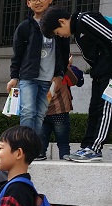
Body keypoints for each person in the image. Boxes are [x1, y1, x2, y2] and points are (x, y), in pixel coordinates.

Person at [40, 7, 112, 162]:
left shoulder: (84, 19)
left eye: (57, 32)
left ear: (61, 21)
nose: (60, 36)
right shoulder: (79, 32)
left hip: (110, 72)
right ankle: (87, 147)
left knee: (106, 108)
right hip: (100, 73)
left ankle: (94, 148)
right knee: (94, 109)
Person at [6, 0, 70, 135]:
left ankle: (34, 147)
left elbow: (64, 55)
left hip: (48, 81)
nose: (38, 2)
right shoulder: (24, 27)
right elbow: (17, 55)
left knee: (40, 114)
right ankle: (26, 145)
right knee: (28, 112)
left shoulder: (60, 26)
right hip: (28, 78)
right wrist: (14, 77)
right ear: (28, 3)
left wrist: (60, 75)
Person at [35, 55, 84, 161]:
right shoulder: (62, 71)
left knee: (40, 149)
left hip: (43, 112)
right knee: (63, 146)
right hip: (60, 111)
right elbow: (77, 81)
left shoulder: (38, 70)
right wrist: (68, 65)